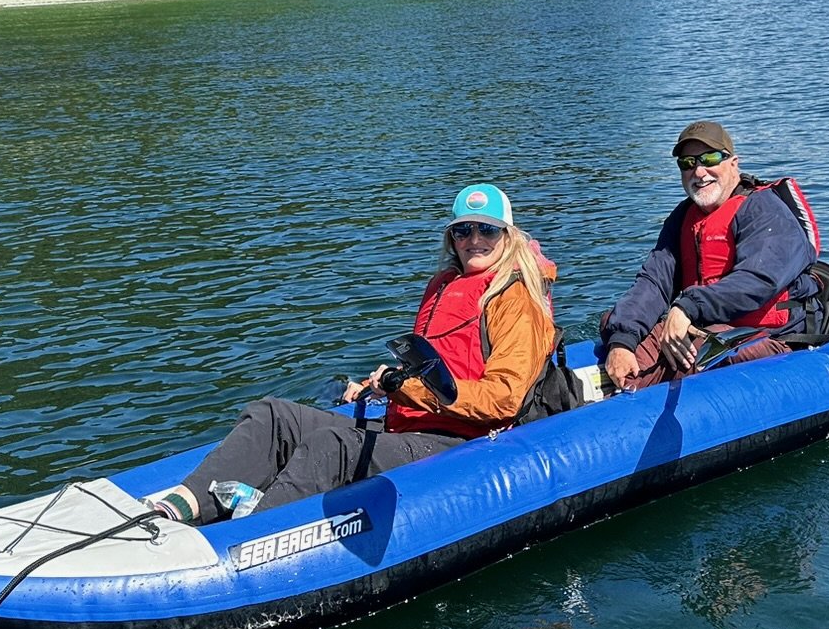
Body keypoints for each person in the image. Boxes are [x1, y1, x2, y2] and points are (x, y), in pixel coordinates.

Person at [146, 182, 559, 523]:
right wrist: (379, 387)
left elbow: (503, 398)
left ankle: (253, 528)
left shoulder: (516, 299)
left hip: (461, 441)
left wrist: (411, 392)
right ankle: (183, 504)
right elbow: (437, 363)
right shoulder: (445, 284)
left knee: (332, 446)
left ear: (507, 236)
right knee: (273, 414)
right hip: (411, 425)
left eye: (486, 231)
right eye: (463, 230)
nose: (473, 240)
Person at [599, 120, 820, 392]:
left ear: (733, 163)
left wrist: (686, 307)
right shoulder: (682, 218)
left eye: (710, 158)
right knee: (616, 324)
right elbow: (654, 282)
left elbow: (757, 281)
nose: (699, 172)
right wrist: (623, 340)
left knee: (705, 347)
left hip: (772, 337)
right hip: (705, 327)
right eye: (688, 163)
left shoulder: (765, 210)